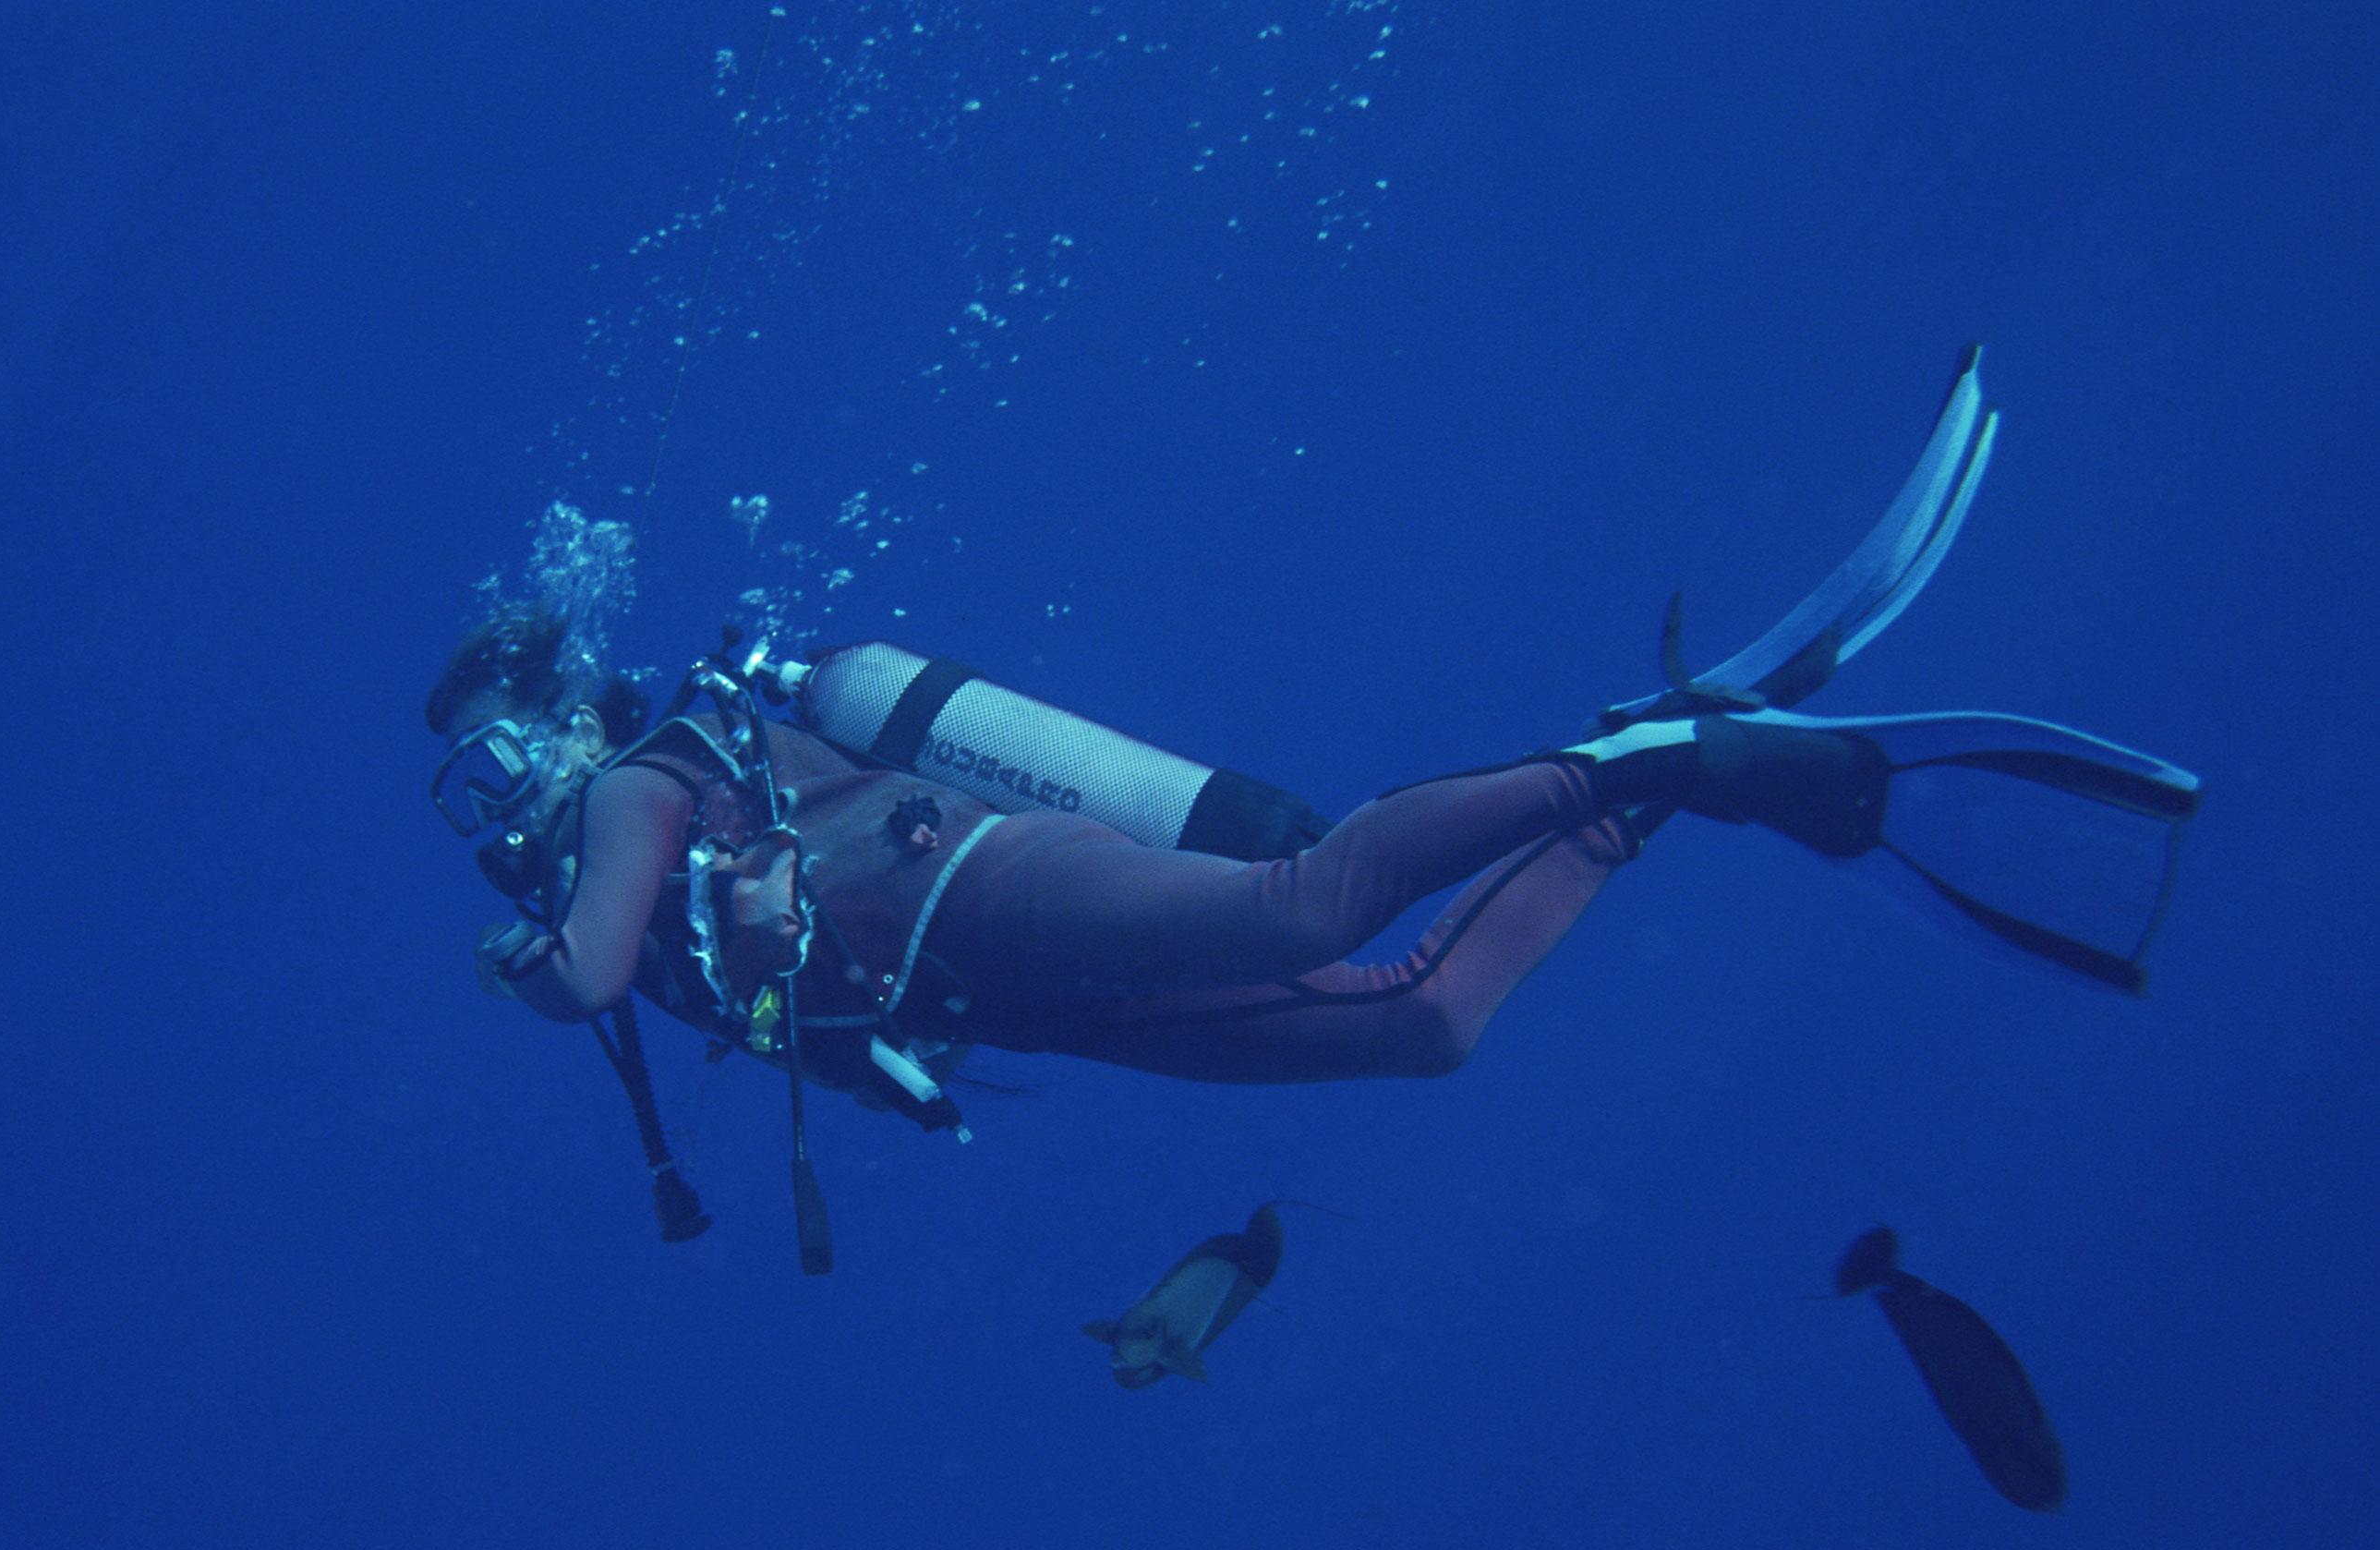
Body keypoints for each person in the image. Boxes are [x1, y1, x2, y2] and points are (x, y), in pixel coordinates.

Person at [428, 352, 2197, 1247]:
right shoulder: (651, 895)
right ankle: (1645, 778)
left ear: (571, 715)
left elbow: (576, 971)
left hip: (978, 890)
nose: (498, 798)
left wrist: (511, 972)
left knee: (1313, 906)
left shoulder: (642, 788)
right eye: (476, 783)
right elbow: (733, 1003)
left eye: (503, 750)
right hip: (989, 983)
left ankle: (1641, 757)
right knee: (1420, 1027)